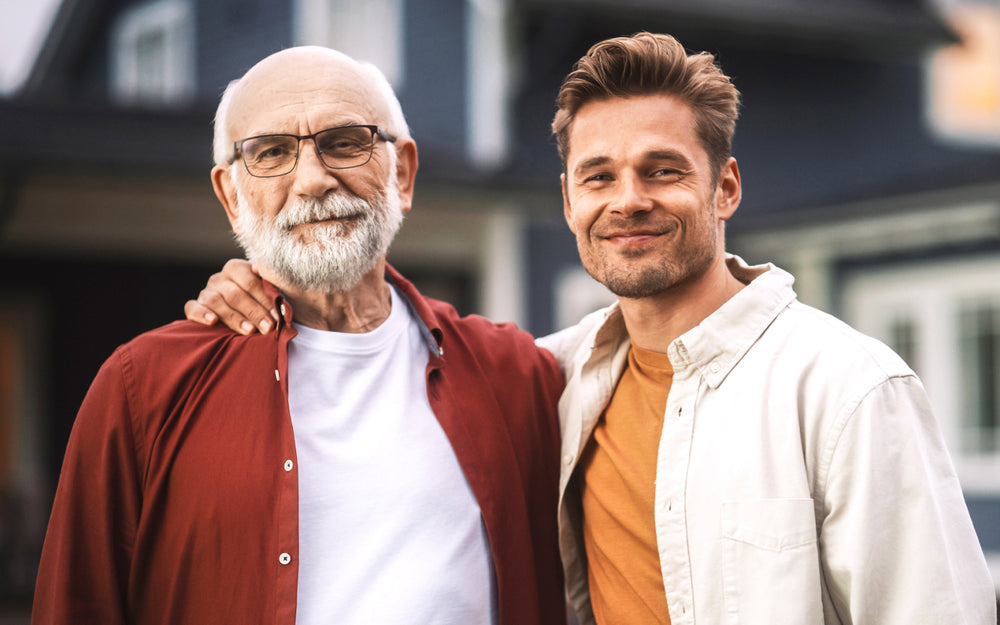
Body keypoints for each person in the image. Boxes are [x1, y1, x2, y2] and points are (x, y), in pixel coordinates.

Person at [184, 34, 997, 625]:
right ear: (569, 201)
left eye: (664, 169)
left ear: (726, 189)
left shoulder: (845, 389)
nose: (628, 198)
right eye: (598, 176)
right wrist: (269, 281)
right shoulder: (553, 377)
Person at [32, 46, 566, 625]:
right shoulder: (143, 388)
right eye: (271, 153)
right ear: (232, 197)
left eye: (344, 142)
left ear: (403, 172)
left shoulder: (517, 374)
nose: (312, 180)